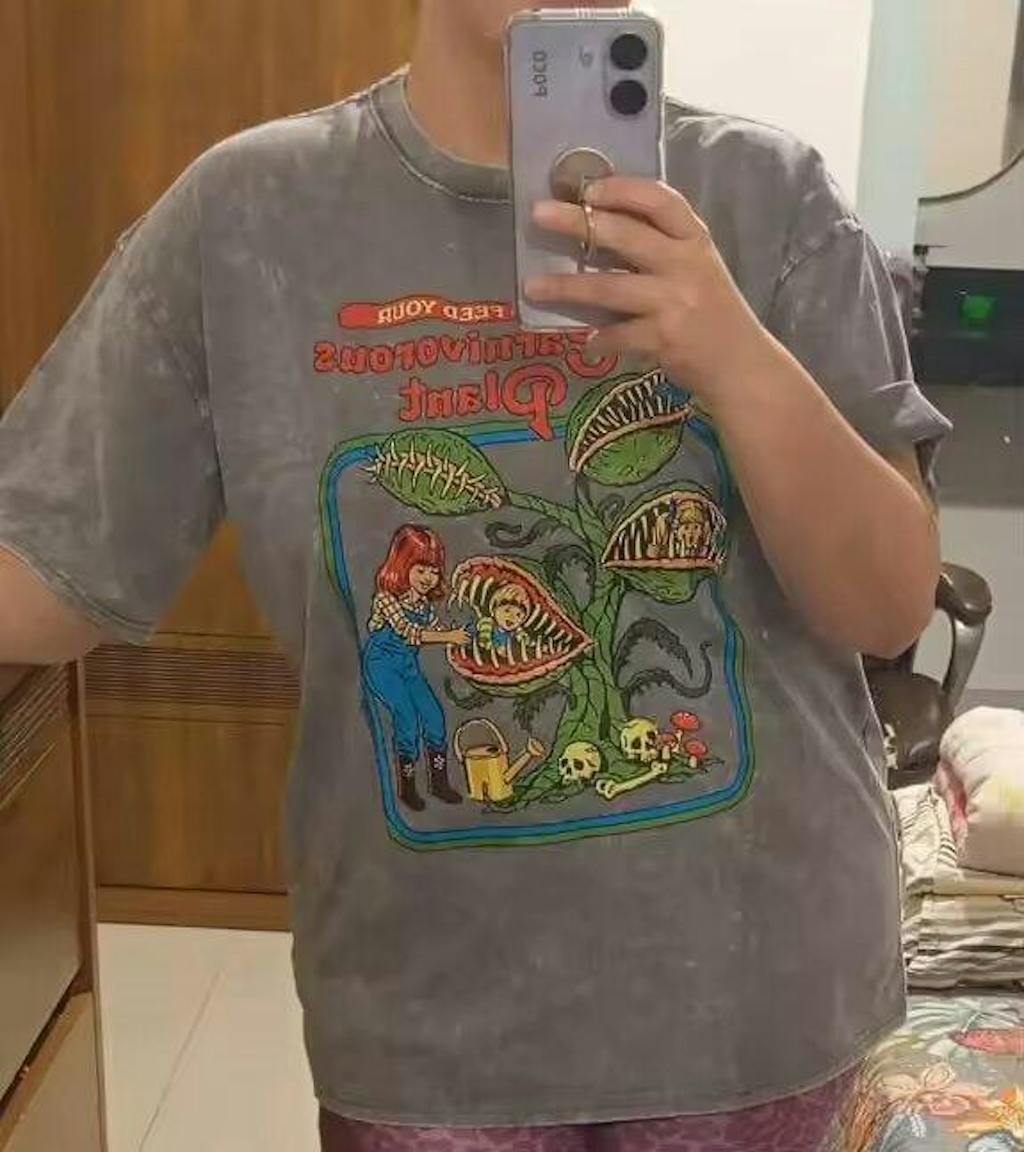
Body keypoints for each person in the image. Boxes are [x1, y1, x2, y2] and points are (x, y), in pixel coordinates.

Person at [0, 0, 950, 1149]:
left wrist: (732, 354)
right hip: (428, 1028)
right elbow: (42, 565)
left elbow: (887, 605)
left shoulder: (767, 195)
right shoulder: (248, 214)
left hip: (758, 1012)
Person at [363, 525, 469, 811]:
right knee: (407, 717)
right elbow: (409, 632)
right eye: (421, 569)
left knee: (434, 715)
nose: (428, 578)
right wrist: (447, 637)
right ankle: (408, 787)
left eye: (433, 571)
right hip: (382, 666)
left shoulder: (424, 605)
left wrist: (461, 637)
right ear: (402, 565)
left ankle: (439, 782)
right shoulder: (386, 599)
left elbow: (435, 629)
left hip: (408, 667)